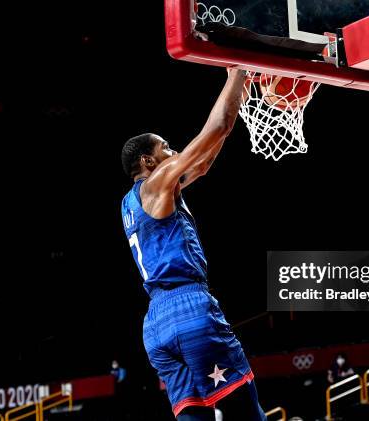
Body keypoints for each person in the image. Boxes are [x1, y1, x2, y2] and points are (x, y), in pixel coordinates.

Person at [121, 69, 267, 421]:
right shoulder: (155, 184)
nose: (172, 152)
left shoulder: (129, 202)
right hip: (189, 308)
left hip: (155, 324)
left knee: (194, 417)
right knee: (247, 411)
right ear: (148, 161)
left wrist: (239, 93)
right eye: (165, 148)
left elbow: (200, 164)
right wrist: (238, 71)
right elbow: (217, 128)